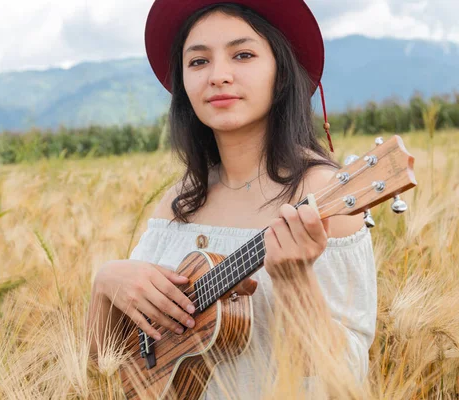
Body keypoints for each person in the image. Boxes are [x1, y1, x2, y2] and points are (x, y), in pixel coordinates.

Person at [86, 0, 377, 398]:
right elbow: (104, 374)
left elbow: (347, 383)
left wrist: (295, 284)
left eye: (243, 55)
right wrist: (105, 287)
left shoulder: (323, 196)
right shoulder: (177, 204)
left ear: (281, 71)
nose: (219, 76)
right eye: (198, 61)